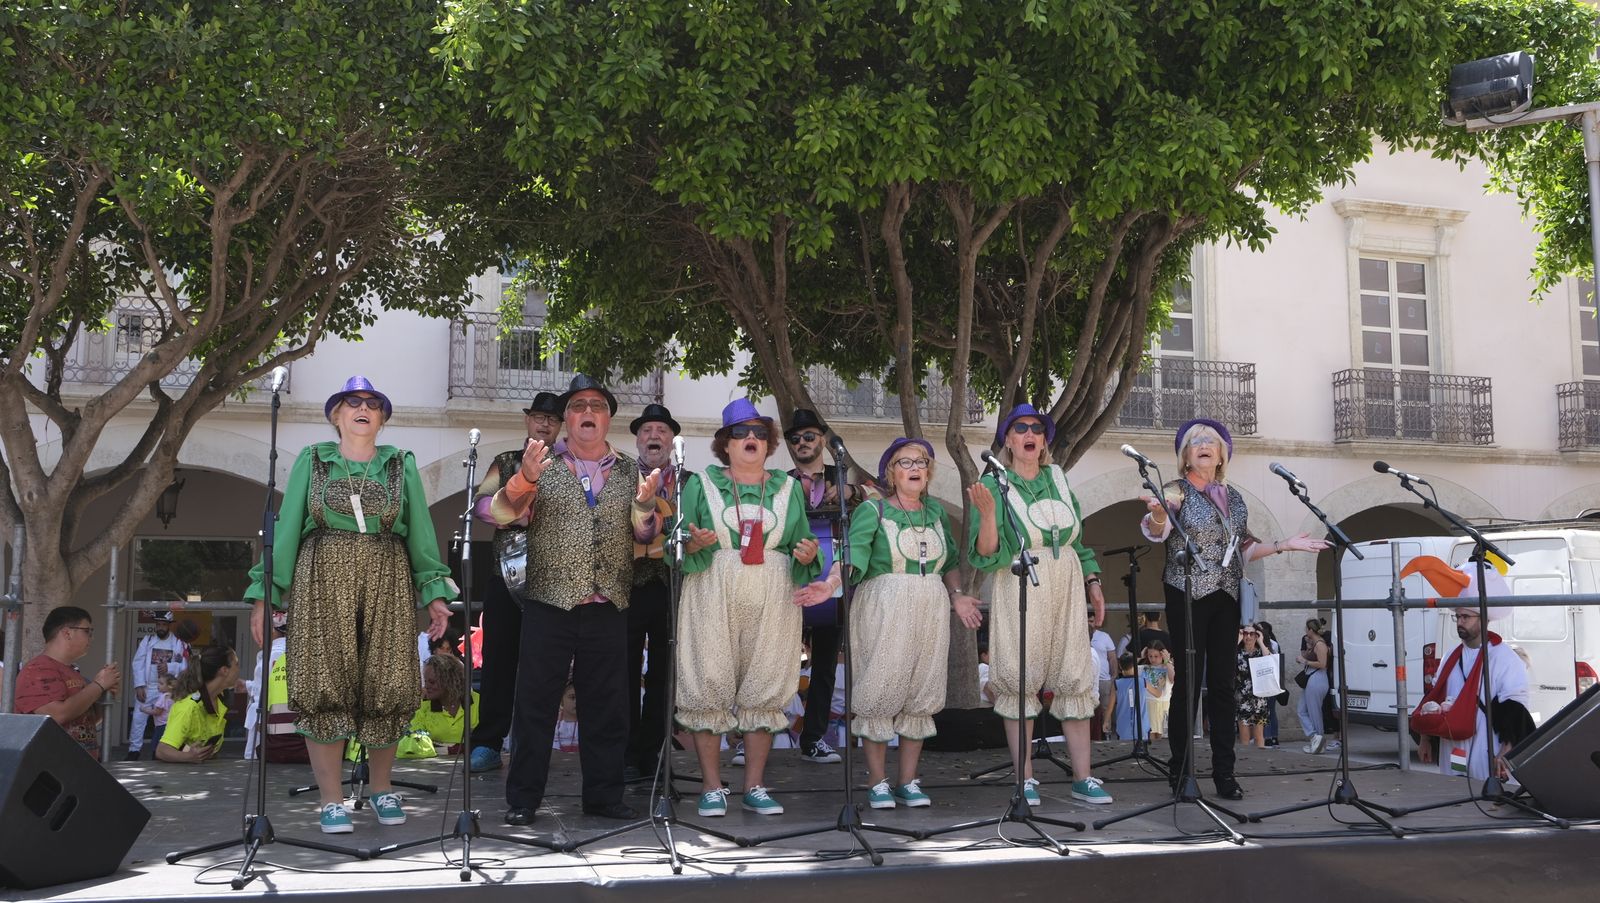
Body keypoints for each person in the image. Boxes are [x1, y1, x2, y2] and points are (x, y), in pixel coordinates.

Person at [246, 375, 458, 835]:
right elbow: (285, 532)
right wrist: (266, 595)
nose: (362, 407)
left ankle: (381, 788)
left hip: (388, 576)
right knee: (324, 682)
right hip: (321, 576)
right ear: (336, 416)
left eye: (372, 403)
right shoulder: (313, 460)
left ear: (381, 418)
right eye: (352, 402)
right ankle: (331, 799)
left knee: (389, 681)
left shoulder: (400, 464)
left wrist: (435, 595)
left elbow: (420, 532)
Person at [489, 374, 663, 826]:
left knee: (608, 707)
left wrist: (646, 509)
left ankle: (604, 796)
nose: (588, 411)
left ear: (607, 419)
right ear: (566, 419)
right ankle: (523, 798)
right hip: (549, 602)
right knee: (535, 704)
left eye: (598, 405)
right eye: (579, 405)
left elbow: (646, 537)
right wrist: (525, 479)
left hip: (607, 604)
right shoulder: (539, 463)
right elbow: (503, 515)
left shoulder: (631, 470)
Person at [1138, 418, 1328, 800]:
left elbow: (1243, 548)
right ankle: (1181, 771)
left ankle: (1225, 772)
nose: (1203, 445)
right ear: (1186, 455)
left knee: (1224, 685)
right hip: (1186, 592)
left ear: (1222, 454)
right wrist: (1159, 513)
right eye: (1195, 442)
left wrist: (1284, 544)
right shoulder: (1174, 490)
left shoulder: (1234, 498)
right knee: (1188, 683)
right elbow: (1156, 528)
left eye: (1210, 441)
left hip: (1226, 595)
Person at [794, 437, 982, 809]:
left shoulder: (936, 515)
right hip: (884, 606)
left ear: (927, 474)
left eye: (921, 462)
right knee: (878, 691)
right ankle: (878, 781)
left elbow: (946, 566)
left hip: (929, 609)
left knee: (921, 695)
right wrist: (830, 584)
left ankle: (907, 781)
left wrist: (957, 595)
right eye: (905, 462)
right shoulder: (873, 512)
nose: (914, 468)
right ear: (890, 474)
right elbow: (852, 554)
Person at [674, 398, 821, 817]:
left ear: (770, 442)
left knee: (765, 687)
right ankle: (711, 787)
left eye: (759, 432)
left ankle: (755, 785)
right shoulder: (699, 485)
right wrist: (691, 543)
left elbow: (802, 543)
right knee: (708, 684)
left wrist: (808, 555)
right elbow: (676, 544)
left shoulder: (789, 487)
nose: (751, 438)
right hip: (712, 589)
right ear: (725, 443)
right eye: (741, 433)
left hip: (773, 593)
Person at [968, 403, 1112, 806]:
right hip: (1019, 581)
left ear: (1043, 439)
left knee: (1073, 673)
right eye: (1020, 428)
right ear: (1009, 441)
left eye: (1037, 428)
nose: (1029, 434)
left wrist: (1093, 581)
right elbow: (986, 554)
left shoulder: (1058, 478)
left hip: (1065, 580)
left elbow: (1078, 541)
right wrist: (988, 517)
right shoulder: (995, 483)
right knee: (1018, 676)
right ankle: (1025, 778)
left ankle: (1084, 777)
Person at [468, 390, 565, 773]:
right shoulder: (506, 462)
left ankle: (532, 745)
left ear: (561, 426)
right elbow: (480, 505)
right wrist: (512, 514)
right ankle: (489, 743)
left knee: (545, 667)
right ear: (527, 420)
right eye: (539, 417)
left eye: (552, 419)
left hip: (553, 580)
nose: (544, 423)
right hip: (504, 579)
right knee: (497, 663)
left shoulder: (567, 466)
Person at [784, 408, 873, 767]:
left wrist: (852, 489)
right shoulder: (782, 481)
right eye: (796, 439)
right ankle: (756, 734)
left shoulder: (843, 478)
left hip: (832, 586)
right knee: (777, 664)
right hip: (791, 581)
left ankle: (814, 738)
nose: (803, 443)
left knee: (823, 668)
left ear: (822, 439)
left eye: (809, 436)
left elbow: (883, 497)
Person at [1403, 558, 1533, 781]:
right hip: (1454, 746)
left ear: (1483, 619)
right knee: (1456, 786)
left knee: (1487, 797)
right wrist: (1425, 738)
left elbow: (1515, 709)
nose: (1459, 622)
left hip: (1487, 744)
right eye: (1457, 616)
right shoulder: (1450, 657)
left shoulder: (1504, 658)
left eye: (1466, 617)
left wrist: (1506, 751)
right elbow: (1435, 697)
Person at [625, 402, 683, 781]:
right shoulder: (621, 476)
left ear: (671, 439)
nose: (653, 437)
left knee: (665, 676)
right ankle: (628, 754)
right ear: (637, 439)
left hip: (671, 587)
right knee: (624, 672)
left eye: (661, 430)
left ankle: (652, 752)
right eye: (647, 431)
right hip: (628, 587)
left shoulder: (688, 480)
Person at [16, 606, 120, 761]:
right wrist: (98, 685)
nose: (91, 638)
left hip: (77, 767)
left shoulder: (72, 672)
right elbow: (57, 714)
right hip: (51, 770)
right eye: (87, 631)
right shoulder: (38, 669)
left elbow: (86, 719)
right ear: (67, 633)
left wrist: (104, 695)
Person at [157, 645, 241, 763]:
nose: (238, 669)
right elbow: (162, 750)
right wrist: (189, 757)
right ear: (224, 670)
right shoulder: (189, 707)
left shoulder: (219, 699)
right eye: (236, 664)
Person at [126, 610, 190, 760]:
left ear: (169, 626)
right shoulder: (147, 640)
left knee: (168, 721)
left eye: (163, 624)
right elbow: (138, 663)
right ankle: (134, 751)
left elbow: (185, 667)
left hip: (169, 690)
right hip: (148, 687)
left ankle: (164, 750)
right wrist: (139, 685)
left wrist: (170, 667)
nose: (160, 627)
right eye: (158, 624)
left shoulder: (178, 643)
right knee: (138, 718)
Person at [412, 654, 480, 755]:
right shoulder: (422, 708)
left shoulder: (478, 701)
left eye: (432, 682)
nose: (426, 686)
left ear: (450, 681)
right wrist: (450, 750)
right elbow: (413, 740)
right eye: (425, 681)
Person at [1295, 617, 1332, 754]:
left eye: (1306, 628)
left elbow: (1323, 664)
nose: (1305, 631)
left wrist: (1305, 661)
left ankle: (1319, 743)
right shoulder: (1314, 643)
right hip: (1312, 678)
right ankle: (1315, 737)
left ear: (1311, 630)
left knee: (1314, 712)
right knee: (1301, 709)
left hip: (1317, 678)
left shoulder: (1320, 645)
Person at [1236, 626, 1270, 749]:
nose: (1248, 636)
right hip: (1242, 698)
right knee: (1244, 736)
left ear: (1256, 635)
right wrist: (1238, 640)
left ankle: (1261, 760)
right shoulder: (1238, 653)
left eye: (1252, 634)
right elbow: (1226, 659)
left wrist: (1261, 641)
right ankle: (1245, 761)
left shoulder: (1260, 652)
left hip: (1259, 699)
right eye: (1245, 633)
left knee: (1259, 736)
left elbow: (1270, 660)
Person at [1107, 653, 1150, 740]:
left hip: (1123, 728)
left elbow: (1110, 707)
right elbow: (1158, 694)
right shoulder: (1143, 682)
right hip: (1142, 727)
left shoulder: (1116, 684)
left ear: (1120, 666)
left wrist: (1106, 721)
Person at [1090, 613, 1117, 741]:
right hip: (1088, 681)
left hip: (1104, 679)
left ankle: (1106, 734)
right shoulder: (1079, 636)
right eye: (1087, 621)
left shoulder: (1104, 637)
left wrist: (1114, 674)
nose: (1089, 623)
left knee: (1106, 708)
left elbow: (1112, 657)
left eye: (1091, 621)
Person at [1257, 621, 1284, 747]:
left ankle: (1267, 737)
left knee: (1264, 710)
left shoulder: (1261, 645)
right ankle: (1274, 737)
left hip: (1263, 680)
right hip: (1274, 680)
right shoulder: (1275, 644)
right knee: (1271, 710)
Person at [1141, 641, 1174, 740]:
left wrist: (1167, 661)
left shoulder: (1167, 666)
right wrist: (1142, 657)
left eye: (1156, 656)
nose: (1153, 659)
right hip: (1147, 704)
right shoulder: (1145, 667)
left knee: (1162, 737)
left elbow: (1172, 679)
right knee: (1149, 736)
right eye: (1150, 656)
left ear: (1162, 654)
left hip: (1163, 705)